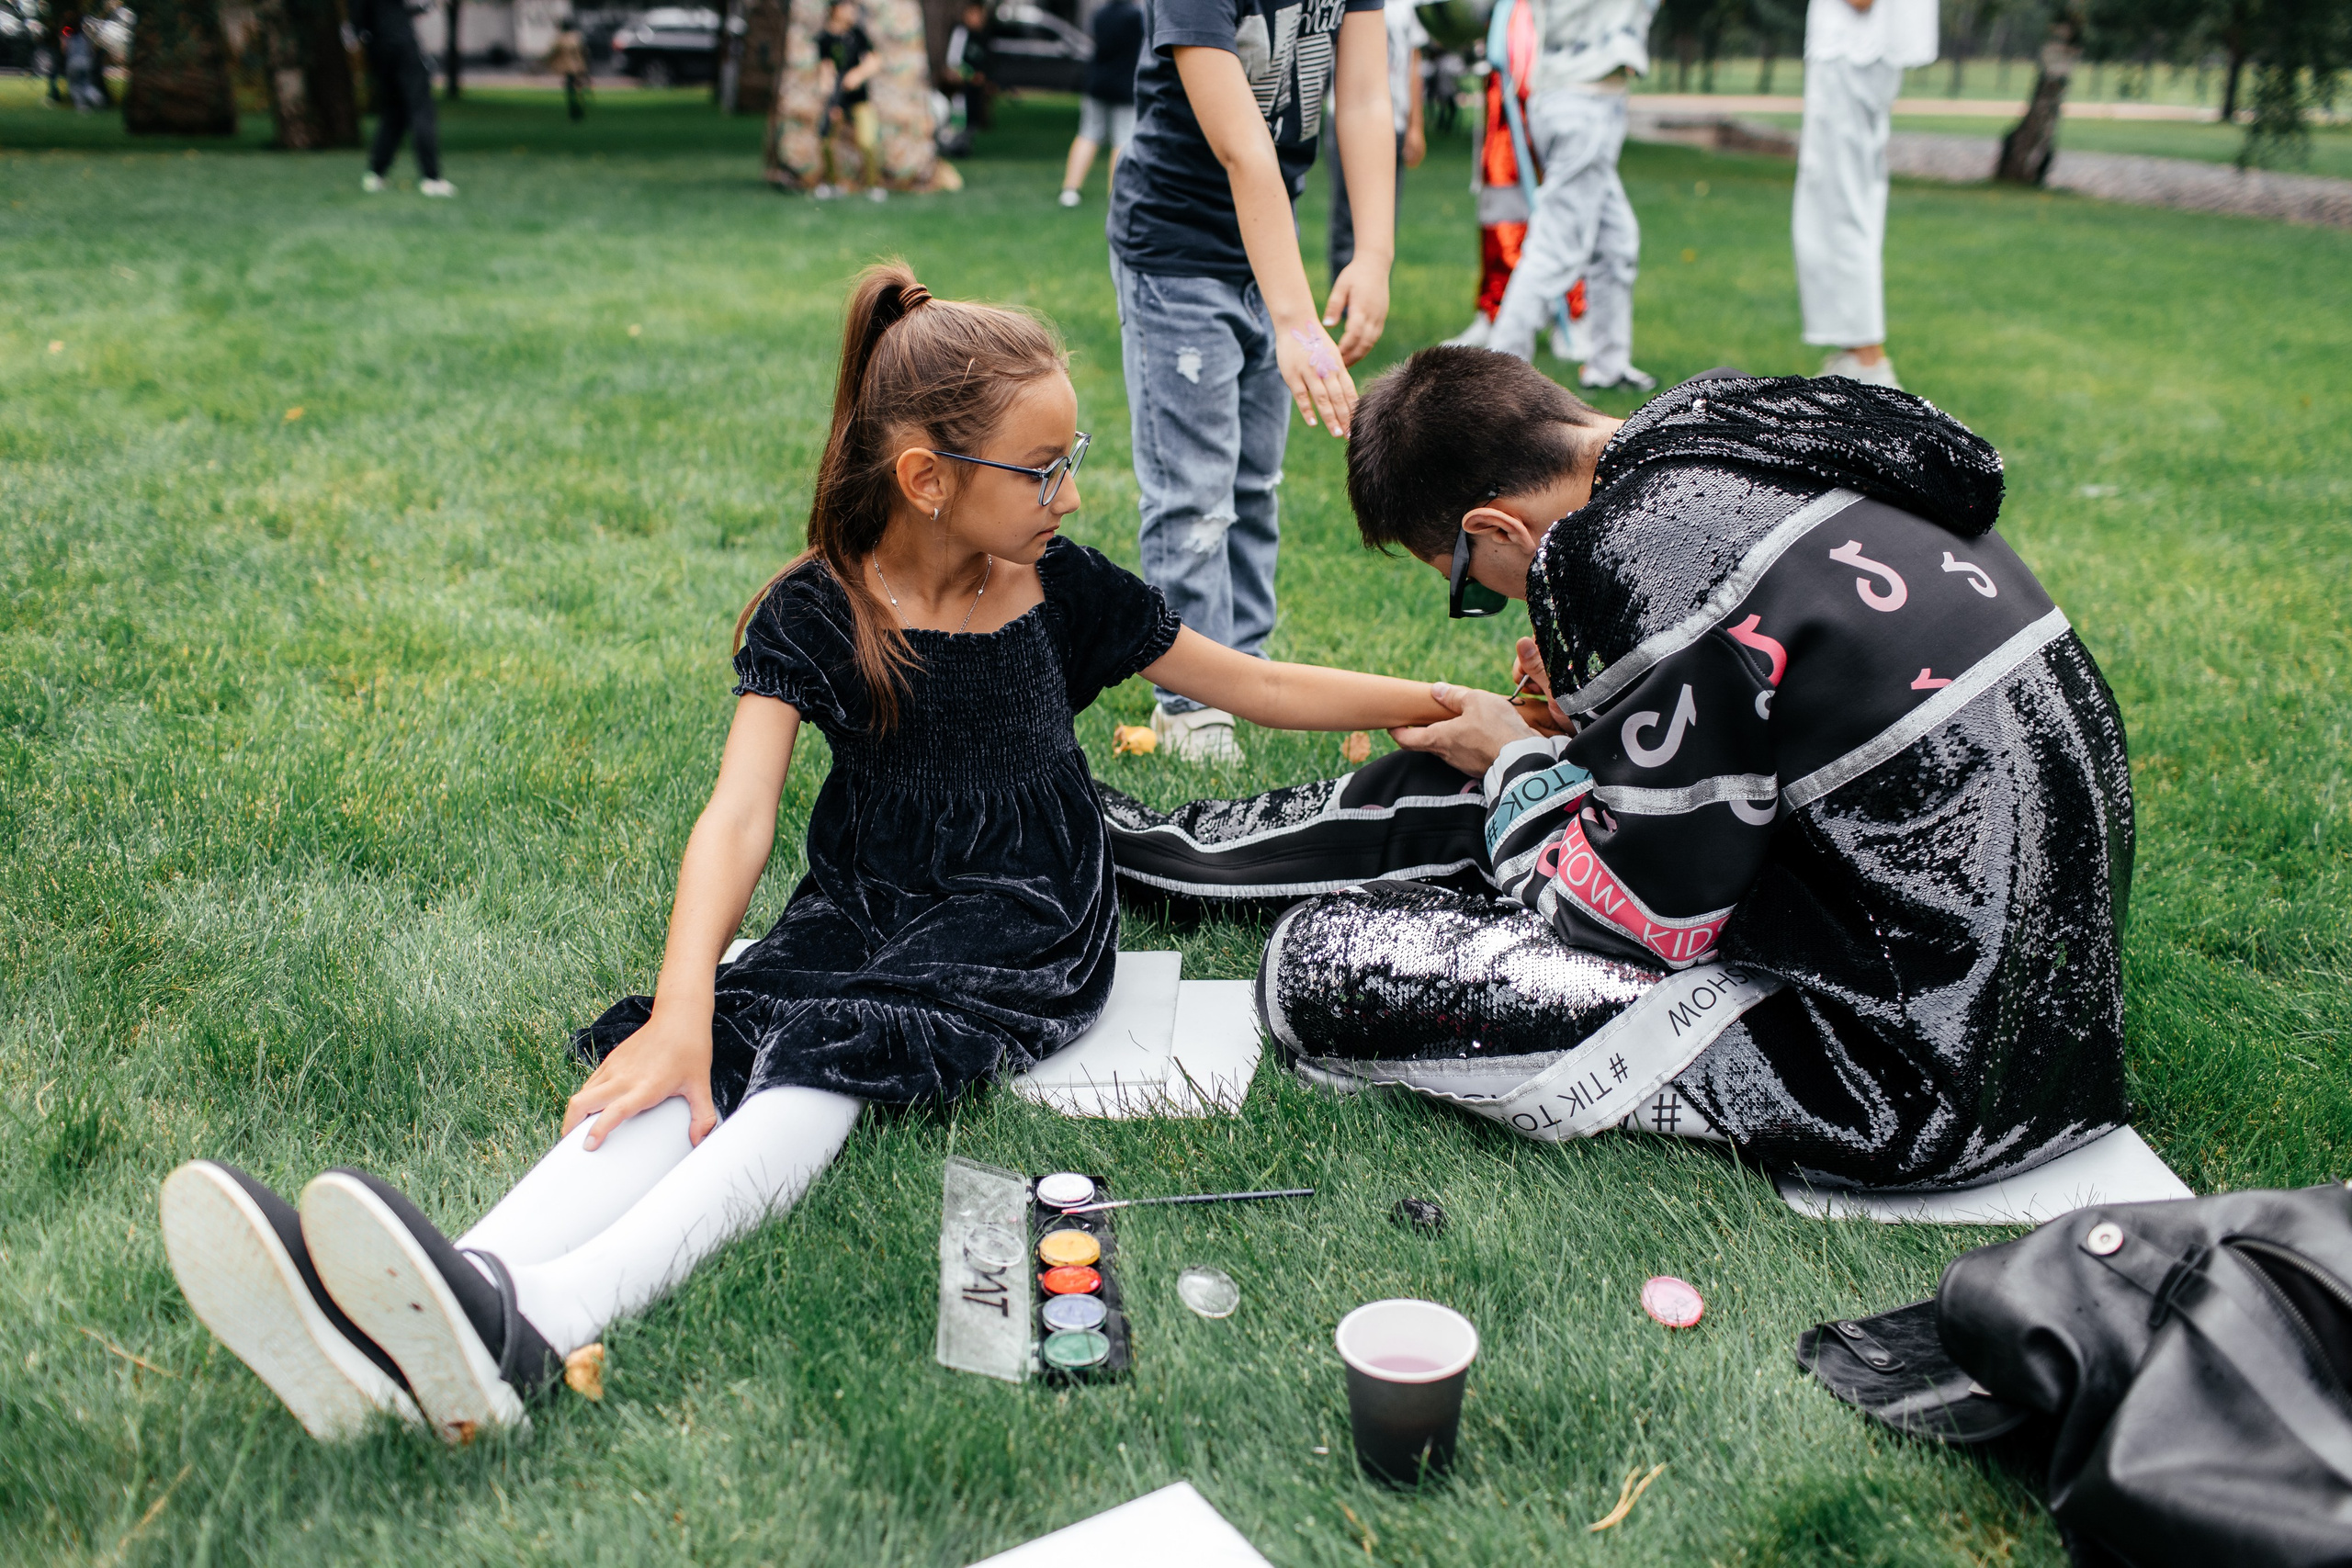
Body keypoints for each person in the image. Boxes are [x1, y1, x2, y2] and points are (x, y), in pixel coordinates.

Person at [154, 265, 1453, 1443]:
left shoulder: (1065, 583)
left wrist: (1434, 704)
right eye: (1043, 467)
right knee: (721, 1025)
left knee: (833, 1047)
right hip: (866, 900)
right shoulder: (815, 605)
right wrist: (679, 1003)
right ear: (928, 478)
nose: (1072, 493)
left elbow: (1254, 680)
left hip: (1026, 920)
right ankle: (436, 1281)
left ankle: (542, 1314)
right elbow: (737, 816)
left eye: (1073, 461)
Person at [1105, 347, 2135, 1192]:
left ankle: (1141, 850)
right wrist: (1583, 724)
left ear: (1494, 530)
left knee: (1319, 966)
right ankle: (1160, 851)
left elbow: (1623, 926)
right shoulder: (1740, 432)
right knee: (1527, 782)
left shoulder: (1629, 548)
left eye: (1478, 589)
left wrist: (1514, 756)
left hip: (1916, 1066)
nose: (1504, 610)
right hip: (2049, 997)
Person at [1109, 0, 1396, 763]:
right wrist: (1297, 321)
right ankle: (1192, 703)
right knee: (1194, 492)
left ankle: (1246, 673)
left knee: (1253, 485)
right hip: (1176, 256)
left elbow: (1365, 99)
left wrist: (1373, 256)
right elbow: (1243, 149)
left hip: (1268, 254)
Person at [1484, 0, 1657, 390]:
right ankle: (1496, 377)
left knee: (1616, 243)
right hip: (1583, 101)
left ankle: (1608, 365)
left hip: (1580, 97)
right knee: (1554, 250)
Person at [1794, 0, 1938, 389]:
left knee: (1839, 203)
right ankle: (1855, 353)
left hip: (1852, 48)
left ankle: (1866, 362)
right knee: (1845, 199)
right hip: (1862, 49)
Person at [1445, 0, 1585, 360]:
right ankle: (1493, 309)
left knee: (1568, 208)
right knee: (1500, 205)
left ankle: (1571, 314)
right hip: (1505, 87)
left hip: (1560, 83)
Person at [1326, 0, 1427, 283]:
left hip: (1393, 119)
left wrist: (1415, 125)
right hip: (1349, 118)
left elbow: (1413, 65)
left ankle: (1372, 286)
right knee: (1347, 213)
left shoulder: (1407, 6)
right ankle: (1343, 292)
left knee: (1383, 211)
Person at [352, 0, 454, 197]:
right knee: (421, 108)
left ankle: (375, 173)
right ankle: (431, 178)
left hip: (378, 49)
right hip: (403, 45)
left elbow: (362, 20)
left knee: (394, 112)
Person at [1057, 0, 1143, 208]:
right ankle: (1116, 194)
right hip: (1125, 85)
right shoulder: (1136, 17)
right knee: (1122, 140)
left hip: (1098, 82)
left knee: (1088, 134)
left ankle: (1070, 190)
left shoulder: (1100, 14)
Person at [813, 0, 886, 197]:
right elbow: (825, 70)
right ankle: (832, 184)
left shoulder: (857, 34)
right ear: (834, 10)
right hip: (838, 100)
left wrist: (858, 75)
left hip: (860, 99)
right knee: (827, 141)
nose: (851, 12)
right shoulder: (825, 38)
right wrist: (830, 99)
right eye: (847, 7)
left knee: (868, 142)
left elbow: (875, 61)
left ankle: (873, 186)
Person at [943, 0, 994, 133]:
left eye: (980, 15)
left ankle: (968, 135)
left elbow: (986, 59)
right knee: (959, 108)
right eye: (974, 15)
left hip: (976, 82)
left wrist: (984, 75)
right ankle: (954, 137)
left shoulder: (984, 36)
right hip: (961, 81)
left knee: (974, 109)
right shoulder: (960, 32)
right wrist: (967, 74)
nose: (978, 19)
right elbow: (953, 59)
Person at [547, 16, 591, 121]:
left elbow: (552, 53)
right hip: (579, 66)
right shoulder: (577, 37)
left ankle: (574, 110)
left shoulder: (561, 39)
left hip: (568, 68)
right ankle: (580, 108)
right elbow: (585, 52)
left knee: (570, 89)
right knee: (579, 87)